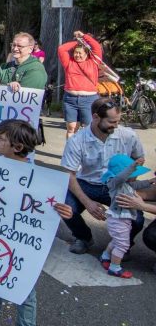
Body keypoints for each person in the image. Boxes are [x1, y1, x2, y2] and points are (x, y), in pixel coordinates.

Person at [0, 119, 72, 326]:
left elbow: (53, 206)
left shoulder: (39, 178)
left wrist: (64, 210)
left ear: (17, 147)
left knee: (25, 290)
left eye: (0, 138)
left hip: (24, 244)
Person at [60, 97, 145, 254]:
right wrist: (88, 203)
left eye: (118, 121)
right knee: (65, 206)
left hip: (117, 184)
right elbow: (69, 174)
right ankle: (83, 237)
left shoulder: (128, 135)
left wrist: (130, 182)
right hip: (87, 183)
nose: (116, 126)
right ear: (95, 117)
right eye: (111, 122)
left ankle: (121, 244)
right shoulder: (77, 140)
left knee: (137, 219)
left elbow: (138, 158)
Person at [100, 154, 148, 278]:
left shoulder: (127, 184)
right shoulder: (114, 183)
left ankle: (105, 256)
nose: (135, 177)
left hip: (123, 219)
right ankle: (114, 268)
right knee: (123, 245)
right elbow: (121, 177)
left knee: (117, 241)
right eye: (132, 174)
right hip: (118, 219)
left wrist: (150, 181)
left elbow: (138, 185)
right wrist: (133, 166)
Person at [58, 30, 103, 138]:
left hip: (89, 99)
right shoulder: (69, 63)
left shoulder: (94, 62)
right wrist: (78, 42)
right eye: (75, 52)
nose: (77, 55)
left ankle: (87, 153)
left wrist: (84, 37)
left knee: (89, 128)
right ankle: (71, 152)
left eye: (80, 53)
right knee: (71, 127)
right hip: (70, 99)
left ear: (87, 53)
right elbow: (61, 49)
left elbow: (96, 46)